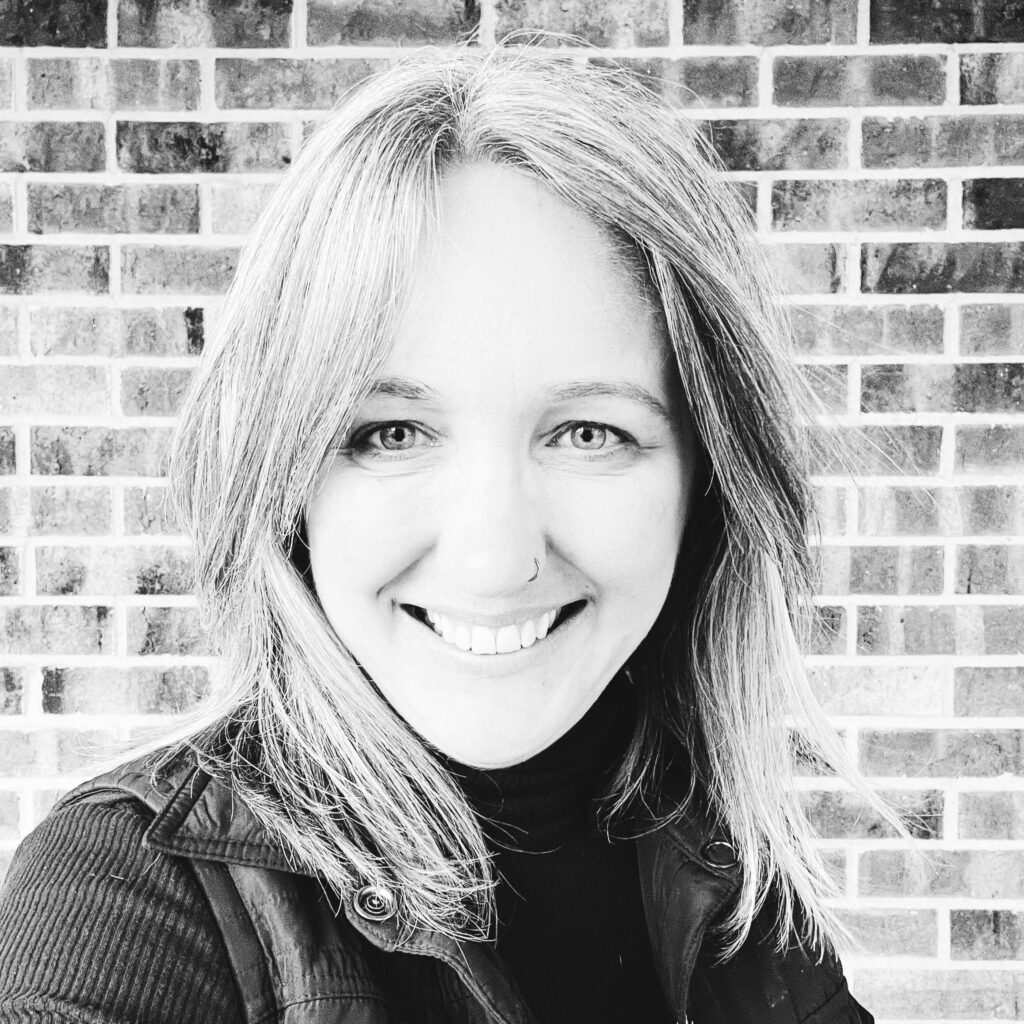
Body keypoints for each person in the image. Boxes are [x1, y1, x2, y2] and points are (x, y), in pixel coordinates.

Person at [0, 46, 888, 1024]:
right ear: (285, 480)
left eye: (589, 432)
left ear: (707, 483)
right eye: (390, 433)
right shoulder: (132, 895)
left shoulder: (733, 888)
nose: (493, 557)